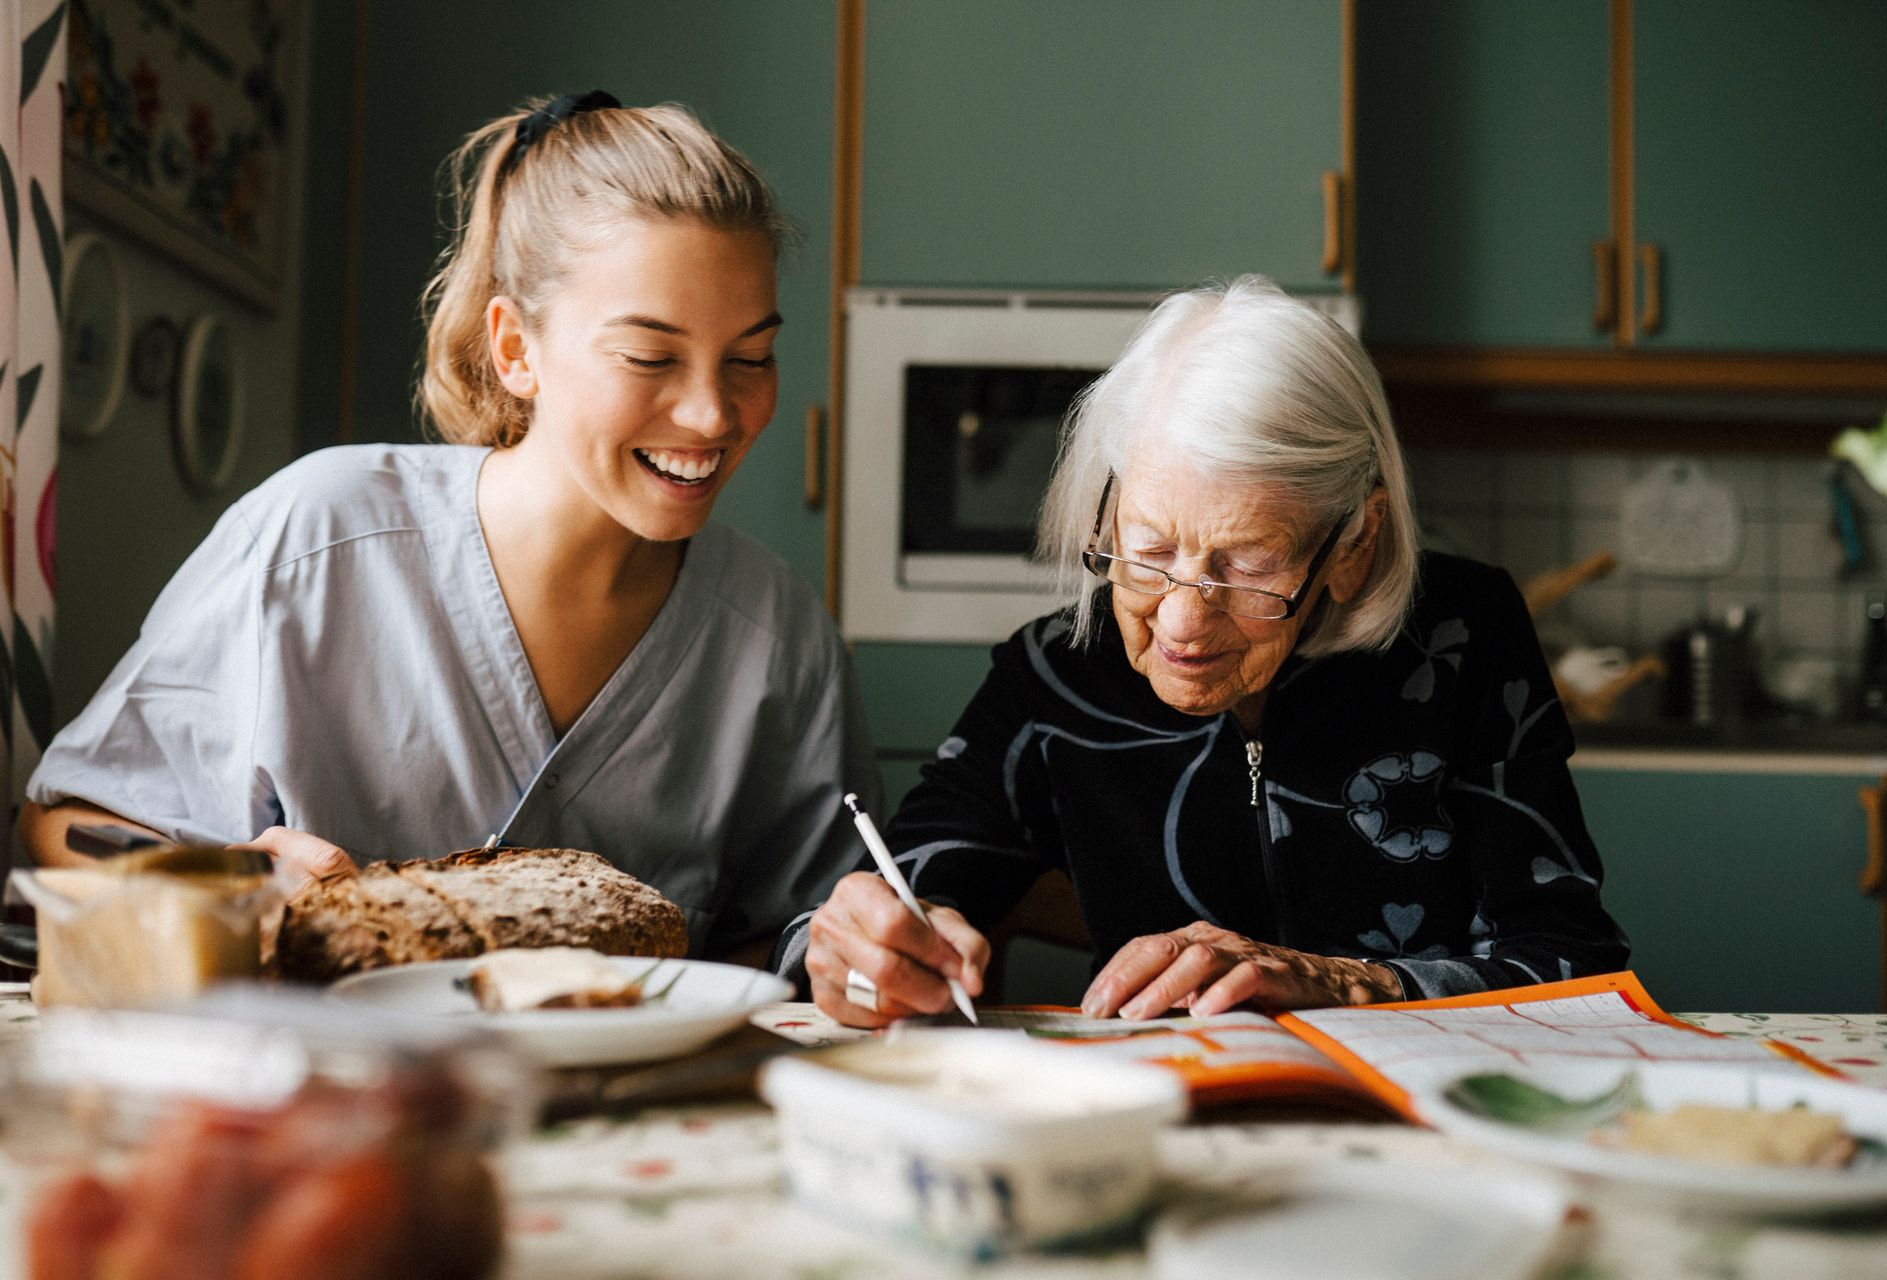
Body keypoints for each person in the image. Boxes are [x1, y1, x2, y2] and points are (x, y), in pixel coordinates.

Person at [23, 92, 877, 960]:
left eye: (752, 359)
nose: (711, 414)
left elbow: (804, 936)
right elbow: (66, 824)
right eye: (649, 357)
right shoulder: (315, 538)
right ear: (515, 350)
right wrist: (223, 880)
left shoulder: (780, 638)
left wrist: (853, 954)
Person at [789, 275, 1629, 1025]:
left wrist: (1344, 983)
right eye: (1148, 553)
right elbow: (898, 883)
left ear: (1354, 543)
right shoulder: (1056, 674)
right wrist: (862, 950)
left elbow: (1576, 961)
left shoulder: (1464, 637)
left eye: (1250, 566)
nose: (1184, 623)